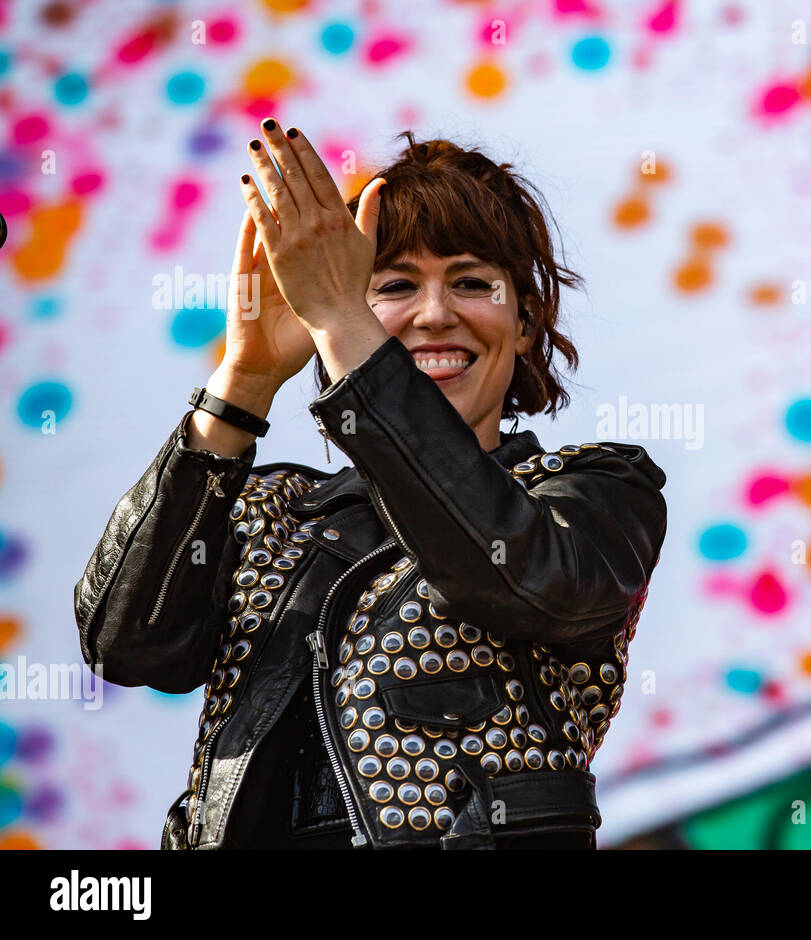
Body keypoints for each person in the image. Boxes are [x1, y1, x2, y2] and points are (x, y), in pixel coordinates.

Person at [73, 120, 668, 850]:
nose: (434, 314)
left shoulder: (595, 493)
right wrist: (244, 380)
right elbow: (125, 648)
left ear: (524, 322)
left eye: (473, 282)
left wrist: (351, 321)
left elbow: (520, 576)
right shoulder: (272, 507)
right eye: (393, 287)